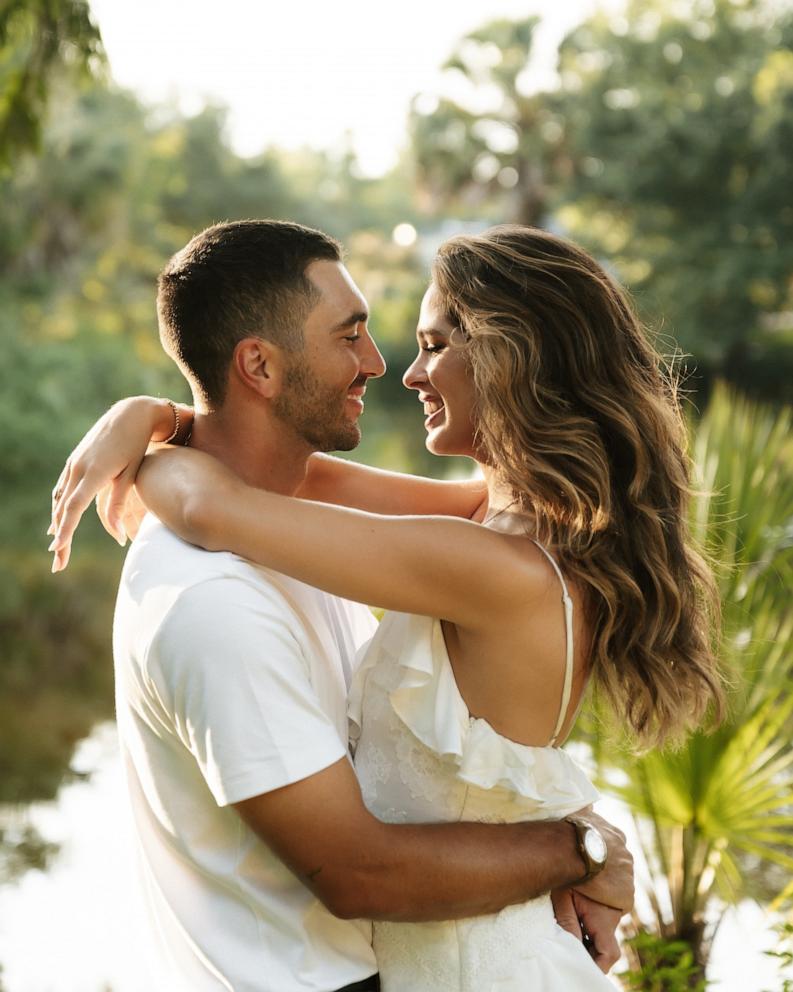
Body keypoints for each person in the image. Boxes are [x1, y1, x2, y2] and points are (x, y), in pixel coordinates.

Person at [49, 220, 635, 992]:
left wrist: (153, 430)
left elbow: (214, 502)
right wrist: (584, 848)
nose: (387, 366)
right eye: (351, 334)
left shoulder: (487, 558)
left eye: (430, 345)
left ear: (507, 363)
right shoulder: (225, 595)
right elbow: (259, 494)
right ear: (257, 364)